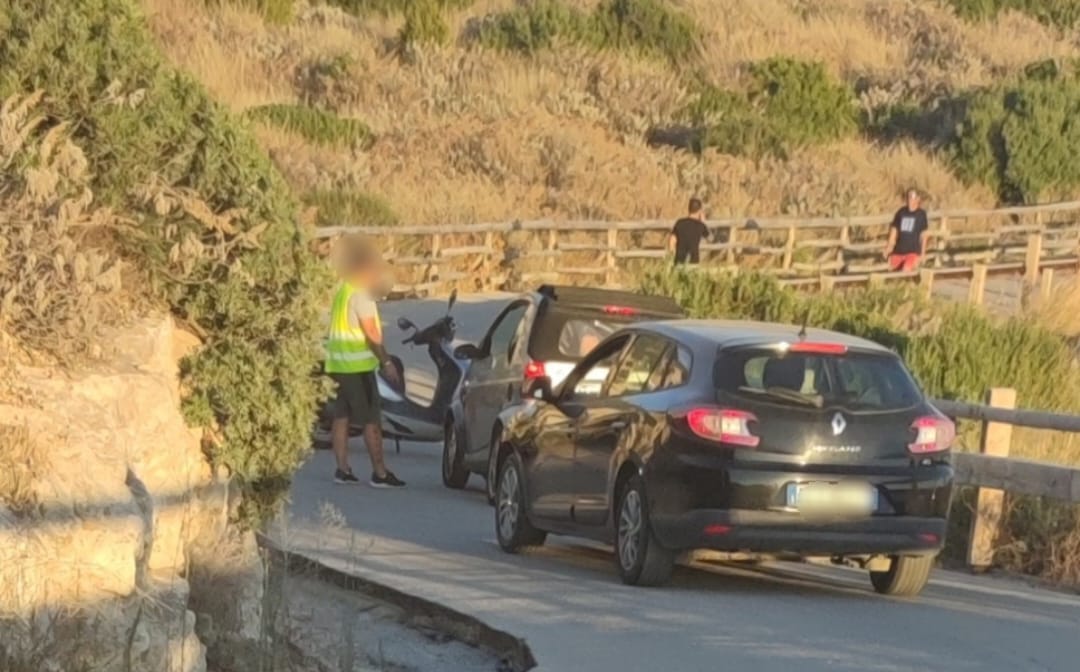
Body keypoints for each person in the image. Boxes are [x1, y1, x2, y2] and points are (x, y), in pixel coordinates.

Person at [325, 235, 406, 488]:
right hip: (358, 367)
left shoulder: (343, 291)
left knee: (341, 417)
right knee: (372, 420)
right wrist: (387, 362)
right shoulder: (362, 296)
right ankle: (380, 473)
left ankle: (342, 469)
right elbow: (371, 334)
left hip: (338, 364)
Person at [885, 189, 930, 271]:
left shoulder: (921, 214)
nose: (910, 199)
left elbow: (924, 235)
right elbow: (894, 231)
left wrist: (923, 253)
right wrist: (888, 247)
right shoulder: (901, 212)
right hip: (899, 250)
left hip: (913, 251)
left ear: (918, 199)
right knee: (891, 270)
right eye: (908, 197)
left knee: (906, 270)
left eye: (912, 197)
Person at [669, 197, 710, 265]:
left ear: (689, 209)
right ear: (699, 211)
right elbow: (710, 238)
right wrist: (704, 222)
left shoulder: (679, 223)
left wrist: (672, 256)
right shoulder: (700, 225)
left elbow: (671, 241)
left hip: (679, 261)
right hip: (693, 261)